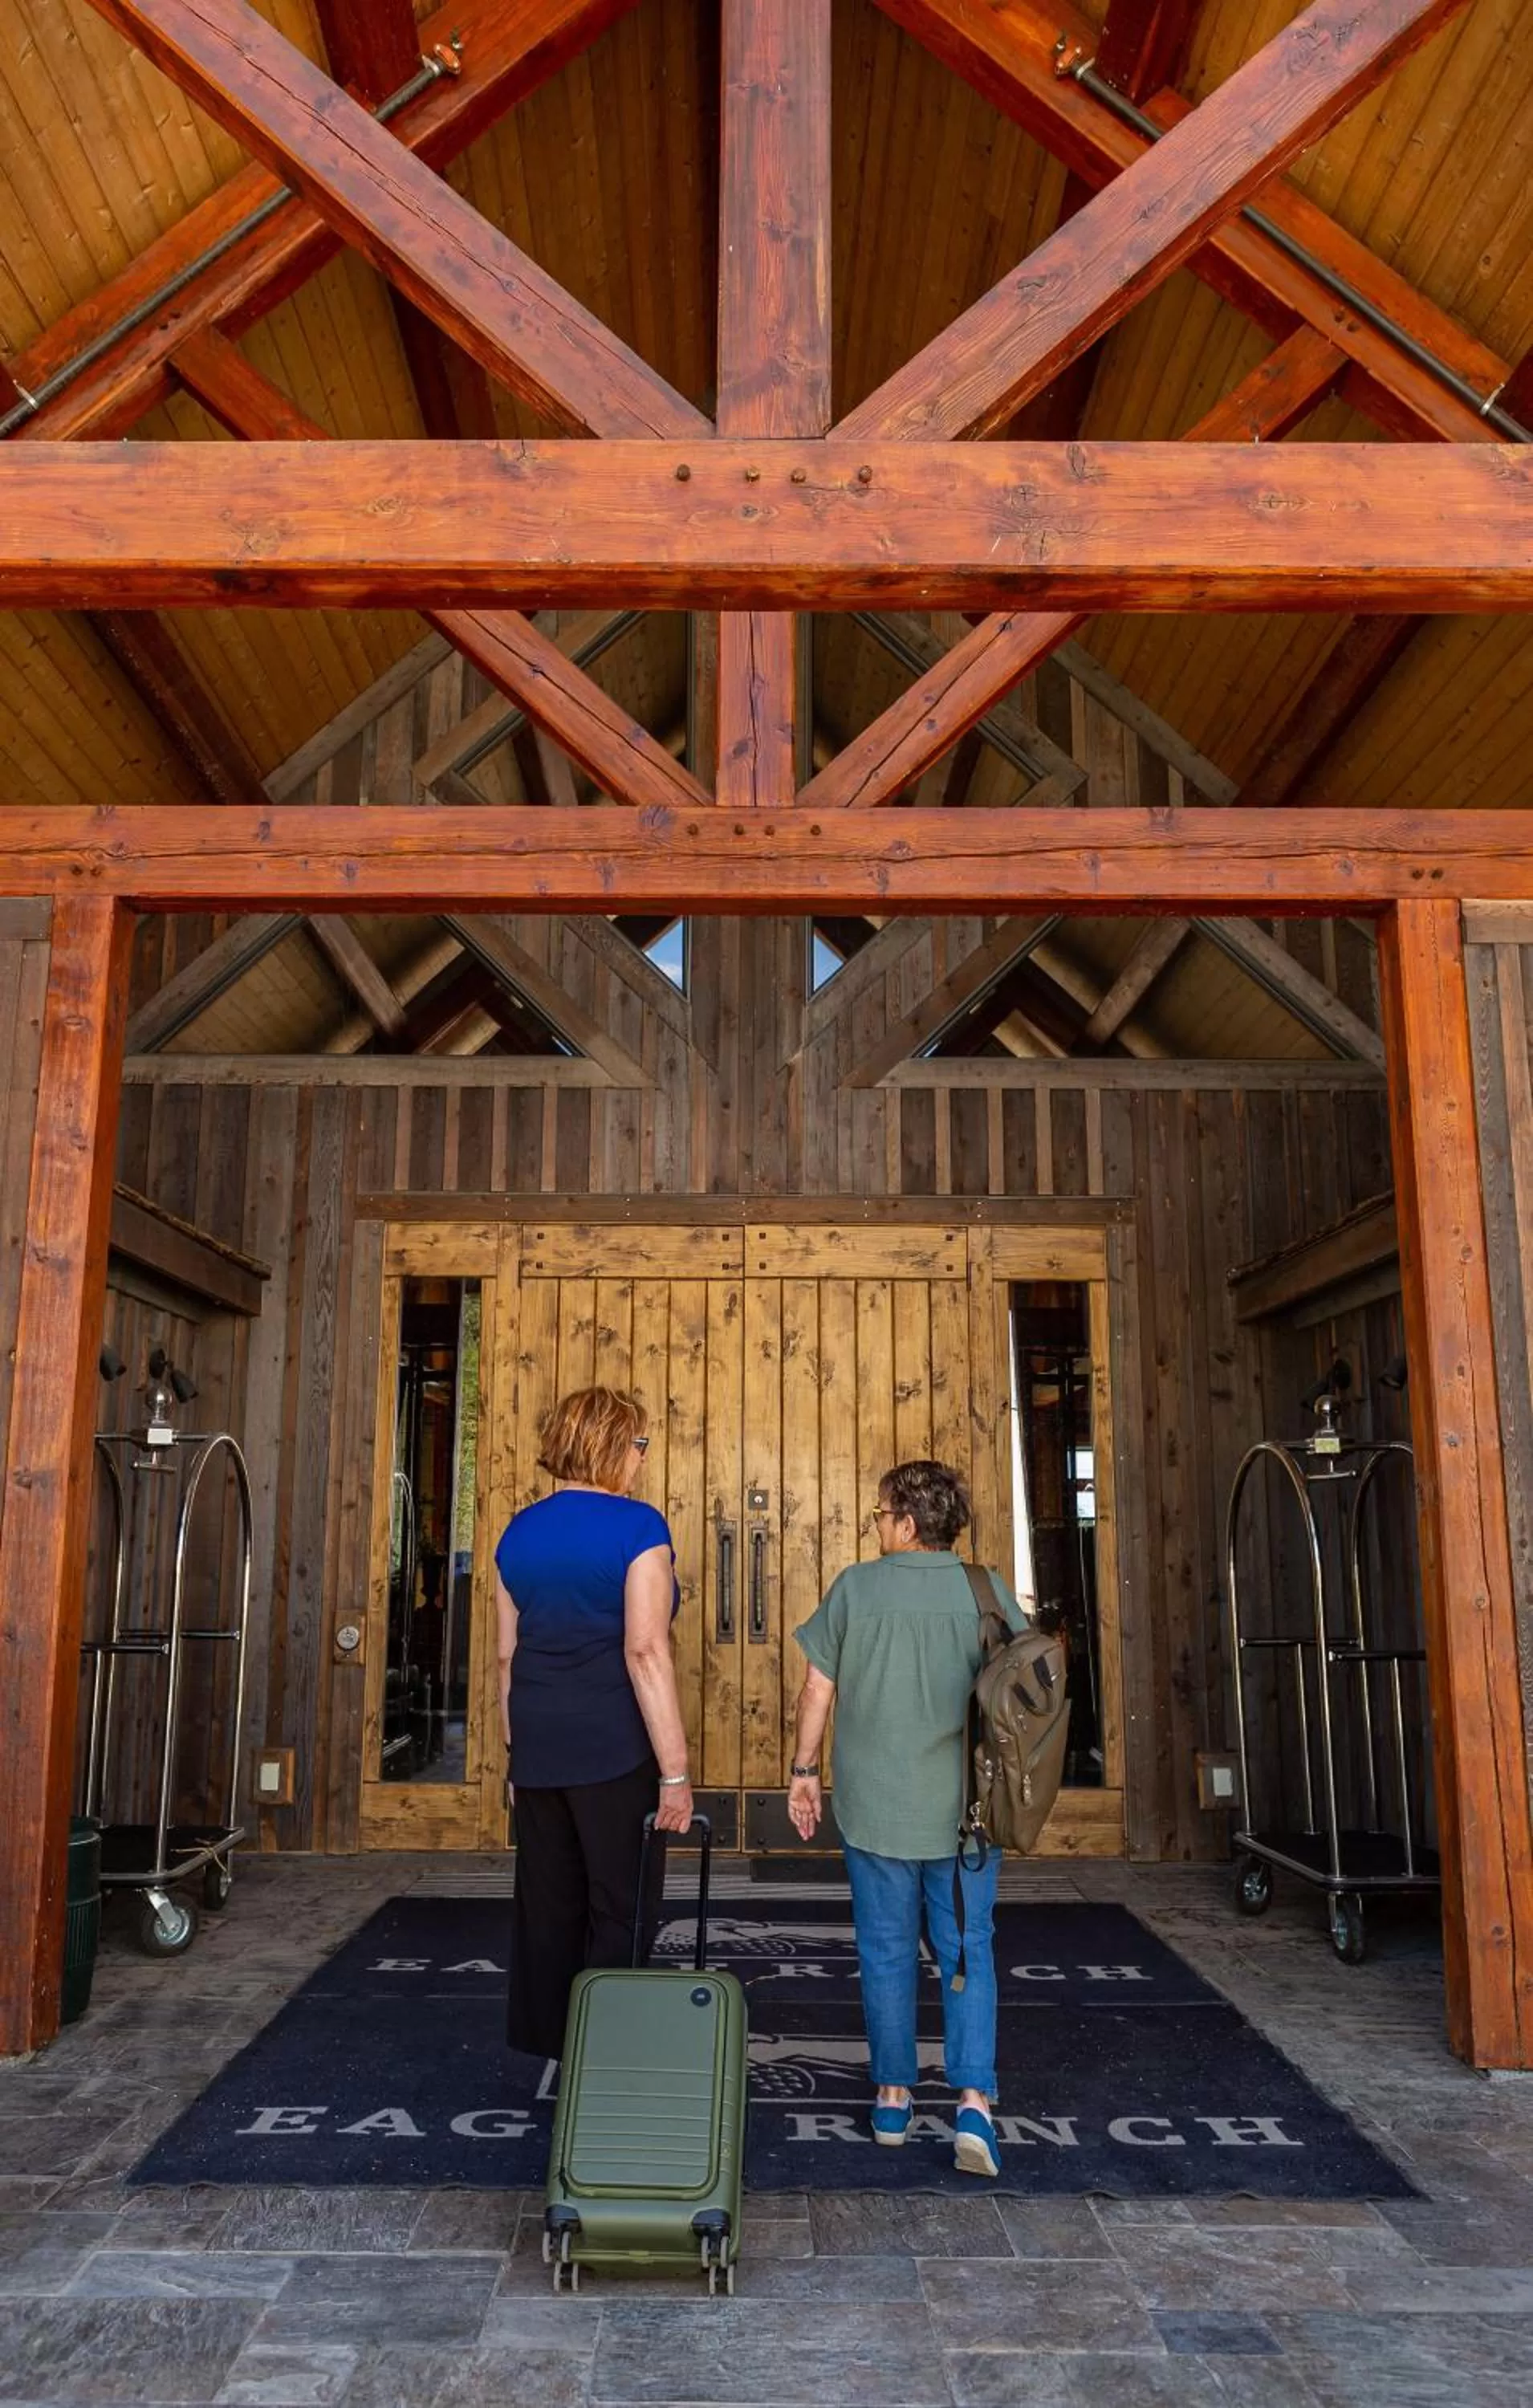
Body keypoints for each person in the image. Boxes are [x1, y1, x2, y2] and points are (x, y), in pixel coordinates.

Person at [788, 1459, 1027, 2179]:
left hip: (875, 1807)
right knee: (966, 1953)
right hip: (968, 1817)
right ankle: (974, 2105)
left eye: (880, 1513)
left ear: (907, 1522)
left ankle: (893, 2099)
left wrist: (804, 1773)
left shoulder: (858, 1588)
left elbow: (817, 1687)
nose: (876, 1524)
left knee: (886, 1949)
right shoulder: (985, 1591)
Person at [495, 1385, 693, 2058]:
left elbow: (505, 1656)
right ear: (611, 1447)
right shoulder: (640, 1529)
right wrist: (675, 1774)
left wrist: (515, 1759)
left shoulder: (519, 1531)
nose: (642, 1458)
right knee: (621, 1904)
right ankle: (610, 2050)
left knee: (549, 1906)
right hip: (614, 1751)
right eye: (639, 1444)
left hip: (540, 1747)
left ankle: (555, 2047)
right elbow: (645, 1651)